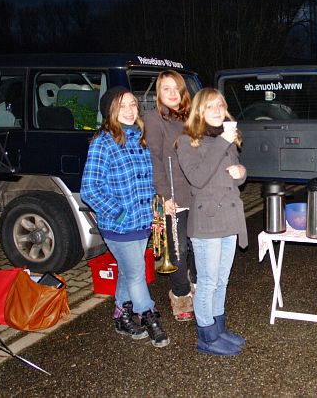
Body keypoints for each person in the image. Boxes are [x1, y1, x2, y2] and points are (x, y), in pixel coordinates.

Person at [81, 86, 169, 348]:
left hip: (142, 222)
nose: (130, 111)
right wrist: (118, 213)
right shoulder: (103, 142)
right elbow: (90, 189)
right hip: (119, 225)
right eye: (122, 106)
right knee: (136, 273)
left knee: (129, 271)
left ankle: (121, 316)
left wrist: (156, 210)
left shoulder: (140, 138)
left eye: (133, 105)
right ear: (110, 111)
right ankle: (149, 316)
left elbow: (147, 181)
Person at [176, 87, 248, 356]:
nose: (217, 110)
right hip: (206, 221)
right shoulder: (187, 141)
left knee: (222, 279)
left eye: (220, 105)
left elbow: (232, 177)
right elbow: (198, 178)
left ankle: (219, 329)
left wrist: (241, 172)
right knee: (207, 281)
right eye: (210, 106)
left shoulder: (226, 137)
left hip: (229, 217)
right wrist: (222, 143)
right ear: (199, 111)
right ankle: (206, 336)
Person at [144, 70, 196, 322]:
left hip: (198, 192)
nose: (173, 93)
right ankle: (181, 294)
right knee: (178, 249)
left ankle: (196, 284)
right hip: (174, 194)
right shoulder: (154, 119)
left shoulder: (193, 117)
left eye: (177, 88)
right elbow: (154, 159)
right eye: (166, 88)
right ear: (159, 92)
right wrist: (164, 195)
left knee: (198, 245)